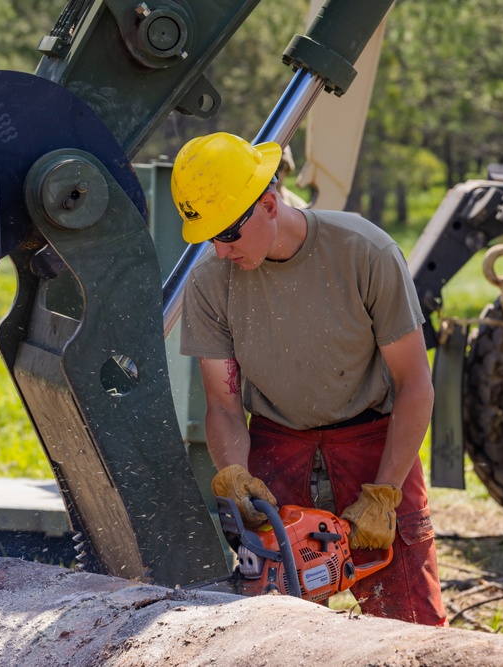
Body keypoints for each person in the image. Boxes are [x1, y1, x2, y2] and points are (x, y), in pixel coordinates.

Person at [172, 132, 445, 626]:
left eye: (228, 233)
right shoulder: (211, 284)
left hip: (374, 441)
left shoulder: (364, 252)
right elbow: (224, 404)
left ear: (269, 205)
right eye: (208, 237)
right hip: (279, 444)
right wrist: (236, 473)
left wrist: (385, 490)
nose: (220, 250)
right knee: (269, 625)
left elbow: (414, 384)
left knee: (412, 624)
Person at [276, 145, 310, 209]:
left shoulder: (299, 207)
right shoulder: (251, 202)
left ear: (287, 169)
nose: (272, 173)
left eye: (279, 166)